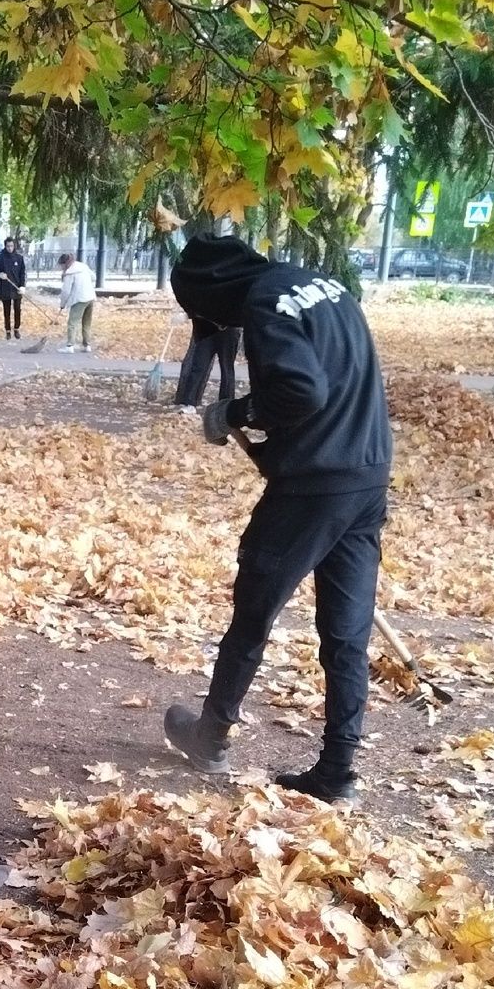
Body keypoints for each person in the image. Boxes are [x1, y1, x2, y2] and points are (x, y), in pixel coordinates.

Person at [161, 236, 393, 804]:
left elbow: (301, 390)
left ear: (213, 295)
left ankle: (210, 736)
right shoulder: (319, 283)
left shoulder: (266, 303)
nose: (214, 325)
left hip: (312, 486)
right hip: (366, 473)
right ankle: (337, 773)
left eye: (206, 314)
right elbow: (334, 378)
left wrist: (232, 412)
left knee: (254, 609)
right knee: (346, 633)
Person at [58, 250, 96, 350]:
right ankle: (87, 345)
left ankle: (70, 346)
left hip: (79, 299)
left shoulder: (69, 273)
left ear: (65, 263)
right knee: (86, 322)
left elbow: (66, 291)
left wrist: (62, 304)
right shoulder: (83, 266)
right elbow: (94, 277)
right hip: (90, 297)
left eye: (61, 265)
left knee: (72, 323)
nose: (61, 268)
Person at [0, 234, 26, 339]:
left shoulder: (19, 258)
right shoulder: (1, 258)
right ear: (5, 246)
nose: (10, 248)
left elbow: (22, 273)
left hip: (17, 288)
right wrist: (0, 274)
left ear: (14, 246)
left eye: (11, 246)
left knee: (17, 309)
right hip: (6, 288)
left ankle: (16, 329)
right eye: (8, 246)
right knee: (7, 310)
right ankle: (7, 330)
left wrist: (22, 286)